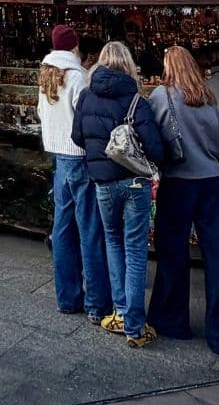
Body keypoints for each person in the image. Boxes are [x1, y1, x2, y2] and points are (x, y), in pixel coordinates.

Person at [72, 40, 166, 347]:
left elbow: (78, 136)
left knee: (112, 242)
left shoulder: (86, 96)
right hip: (135, 182)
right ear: (128, 64)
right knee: (136, 250)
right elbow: (155, 147)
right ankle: (135, 327)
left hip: (102, 183)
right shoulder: (135, 100)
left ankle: (121, 311)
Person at [146, 46, 219, 353]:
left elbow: (152, 136)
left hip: (179, 180)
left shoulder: (162, 95)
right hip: (212, 179)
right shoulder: (208, 96)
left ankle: (172, 319)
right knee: (218, 256)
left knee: (173, 253)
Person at [36, 25, 109, 322]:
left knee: (63, 229)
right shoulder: (77, 76)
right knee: (90, 229)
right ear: (74, 47)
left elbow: (42, 114)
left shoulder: (46, 74)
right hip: (79, 157)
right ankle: (95, 302)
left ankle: (67, 298)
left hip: (59, 157)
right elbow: (85, 116)